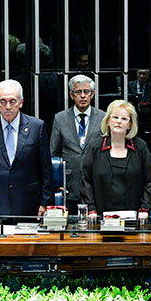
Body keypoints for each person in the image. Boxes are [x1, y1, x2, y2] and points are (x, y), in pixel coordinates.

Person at [0, 79, 53, 220]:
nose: (8, 106)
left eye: (12, 101)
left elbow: (46, 169)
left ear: (21, 102)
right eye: (3, 101)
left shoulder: (36, 127)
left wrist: (45, 203)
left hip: (29, 205)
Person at [80, 100, 151, 214]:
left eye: (124, 119)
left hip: (135, 216)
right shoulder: (94, 147)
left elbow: (149, 180)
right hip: (100, 216)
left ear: (130, 124)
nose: (119, 122)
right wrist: (91, 209)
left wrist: (144, 209)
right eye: (115, 117)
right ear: (108, 121)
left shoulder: (140, 147)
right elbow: (86, 180)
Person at [50, 75, 105, 211]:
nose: (82, 96)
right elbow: (54, 154)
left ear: (92, 94)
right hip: (69, 185)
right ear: (71, 95)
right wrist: (57, 181)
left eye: (86, 92)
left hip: (95, 183)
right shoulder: (60, 118)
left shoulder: (103, 117)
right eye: (78, 92)